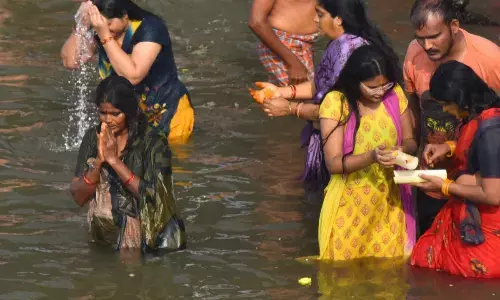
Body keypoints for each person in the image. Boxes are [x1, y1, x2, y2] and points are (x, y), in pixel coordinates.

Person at [251, 0, 400, 191]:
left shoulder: (350, 52)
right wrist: (282, 91)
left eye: (320, 14)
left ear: (338, 19)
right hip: (332, 139)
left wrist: (290, 108)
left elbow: (341, 111)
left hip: (348, 146)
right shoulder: (338, 45)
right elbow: (321, 84)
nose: (315, 20)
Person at [403, 0, 500, 234]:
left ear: (454, 26)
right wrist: (407, 151)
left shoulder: (489, 58)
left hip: (479, 192)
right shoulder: (414, 54)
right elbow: (412, 109)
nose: (427, 46)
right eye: (420, 38)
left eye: (435, 36)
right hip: (431, 182)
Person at [316, 45, 417, 260]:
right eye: (372, 87)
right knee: (343, 280)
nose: (380, 92)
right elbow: (334, 164)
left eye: (385, 85)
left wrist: (401, 150)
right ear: (355, 81)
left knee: (391, 276)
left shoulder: (395, 94)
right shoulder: (337, 103)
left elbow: (411, 142)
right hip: (348, 204)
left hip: (388, 202)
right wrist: (372, 157)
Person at [70, 75, 186, 253]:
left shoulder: (152, 141)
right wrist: (99, 162)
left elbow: (157, 198)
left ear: (130, 111)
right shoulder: (92, 138)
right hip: (105, 236)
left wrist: (114, 161)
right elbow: (78, 197)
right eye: (103, 112)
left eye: (115, 114)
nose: (107, 120)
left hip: (150, 240)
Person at [411, 61, 500, 278]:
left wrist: (444, 186)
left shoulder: (490, 130)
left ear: (461, 99)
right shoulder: (483, 113)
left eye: (446, 104)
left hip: (488, 221)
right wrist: (448, 148)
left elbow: (493, 195)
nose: (444, 110)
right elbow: (477, 152)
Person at [61, 0, 194, 143]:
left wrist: (105, 34)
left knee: (169, 161)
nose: (103, 28)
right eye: (99, 25)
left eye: (109, 24)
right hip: (126, 118)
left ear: (125, 15)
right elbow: (71, 61)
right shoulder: (100, 28)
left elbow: (133, 76)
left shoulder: (150, 28)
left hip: (168, 114)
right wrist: (81, 24)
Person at [248, 0, 317, 86]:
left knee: (279, 94)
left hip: (306, 44)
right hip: (284, 44)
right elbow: (256, 22)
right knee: (303, 93)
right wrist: (293, 63)